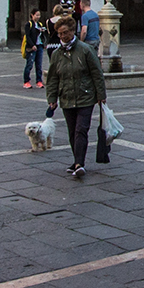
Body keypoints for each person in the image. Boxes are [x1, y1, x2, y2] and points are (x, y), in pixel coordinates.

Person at [44, 15, 107, 178]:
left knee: (81, 129)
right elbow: (52, 78)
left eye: (65, 33)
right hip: (67, 97)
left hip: (85, 96)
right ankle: (76, 160)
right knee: (72, 131)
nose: (62, 36)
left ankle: (79, 163)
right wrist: (52, 98)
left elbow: (96, 73)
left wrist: (101, 95)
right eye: (59, 34)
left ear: (73, 31)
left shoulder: (85, 50)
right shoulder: (57, 54)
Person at [20, 9, 49, 88]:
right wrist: (32, 45)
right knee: (30, 64)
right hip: (32, 47)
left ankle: (39, 81)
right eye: (36, 15)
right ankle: (26, 81)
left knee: (39, 65)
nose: (38, 17)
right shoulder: (29, 24)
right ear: (32, 15)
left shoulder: (39, 24)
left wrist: (43, 33)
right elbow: (28, 36)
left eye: (39, 15)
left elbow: (42, 36)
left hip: (39, 45)